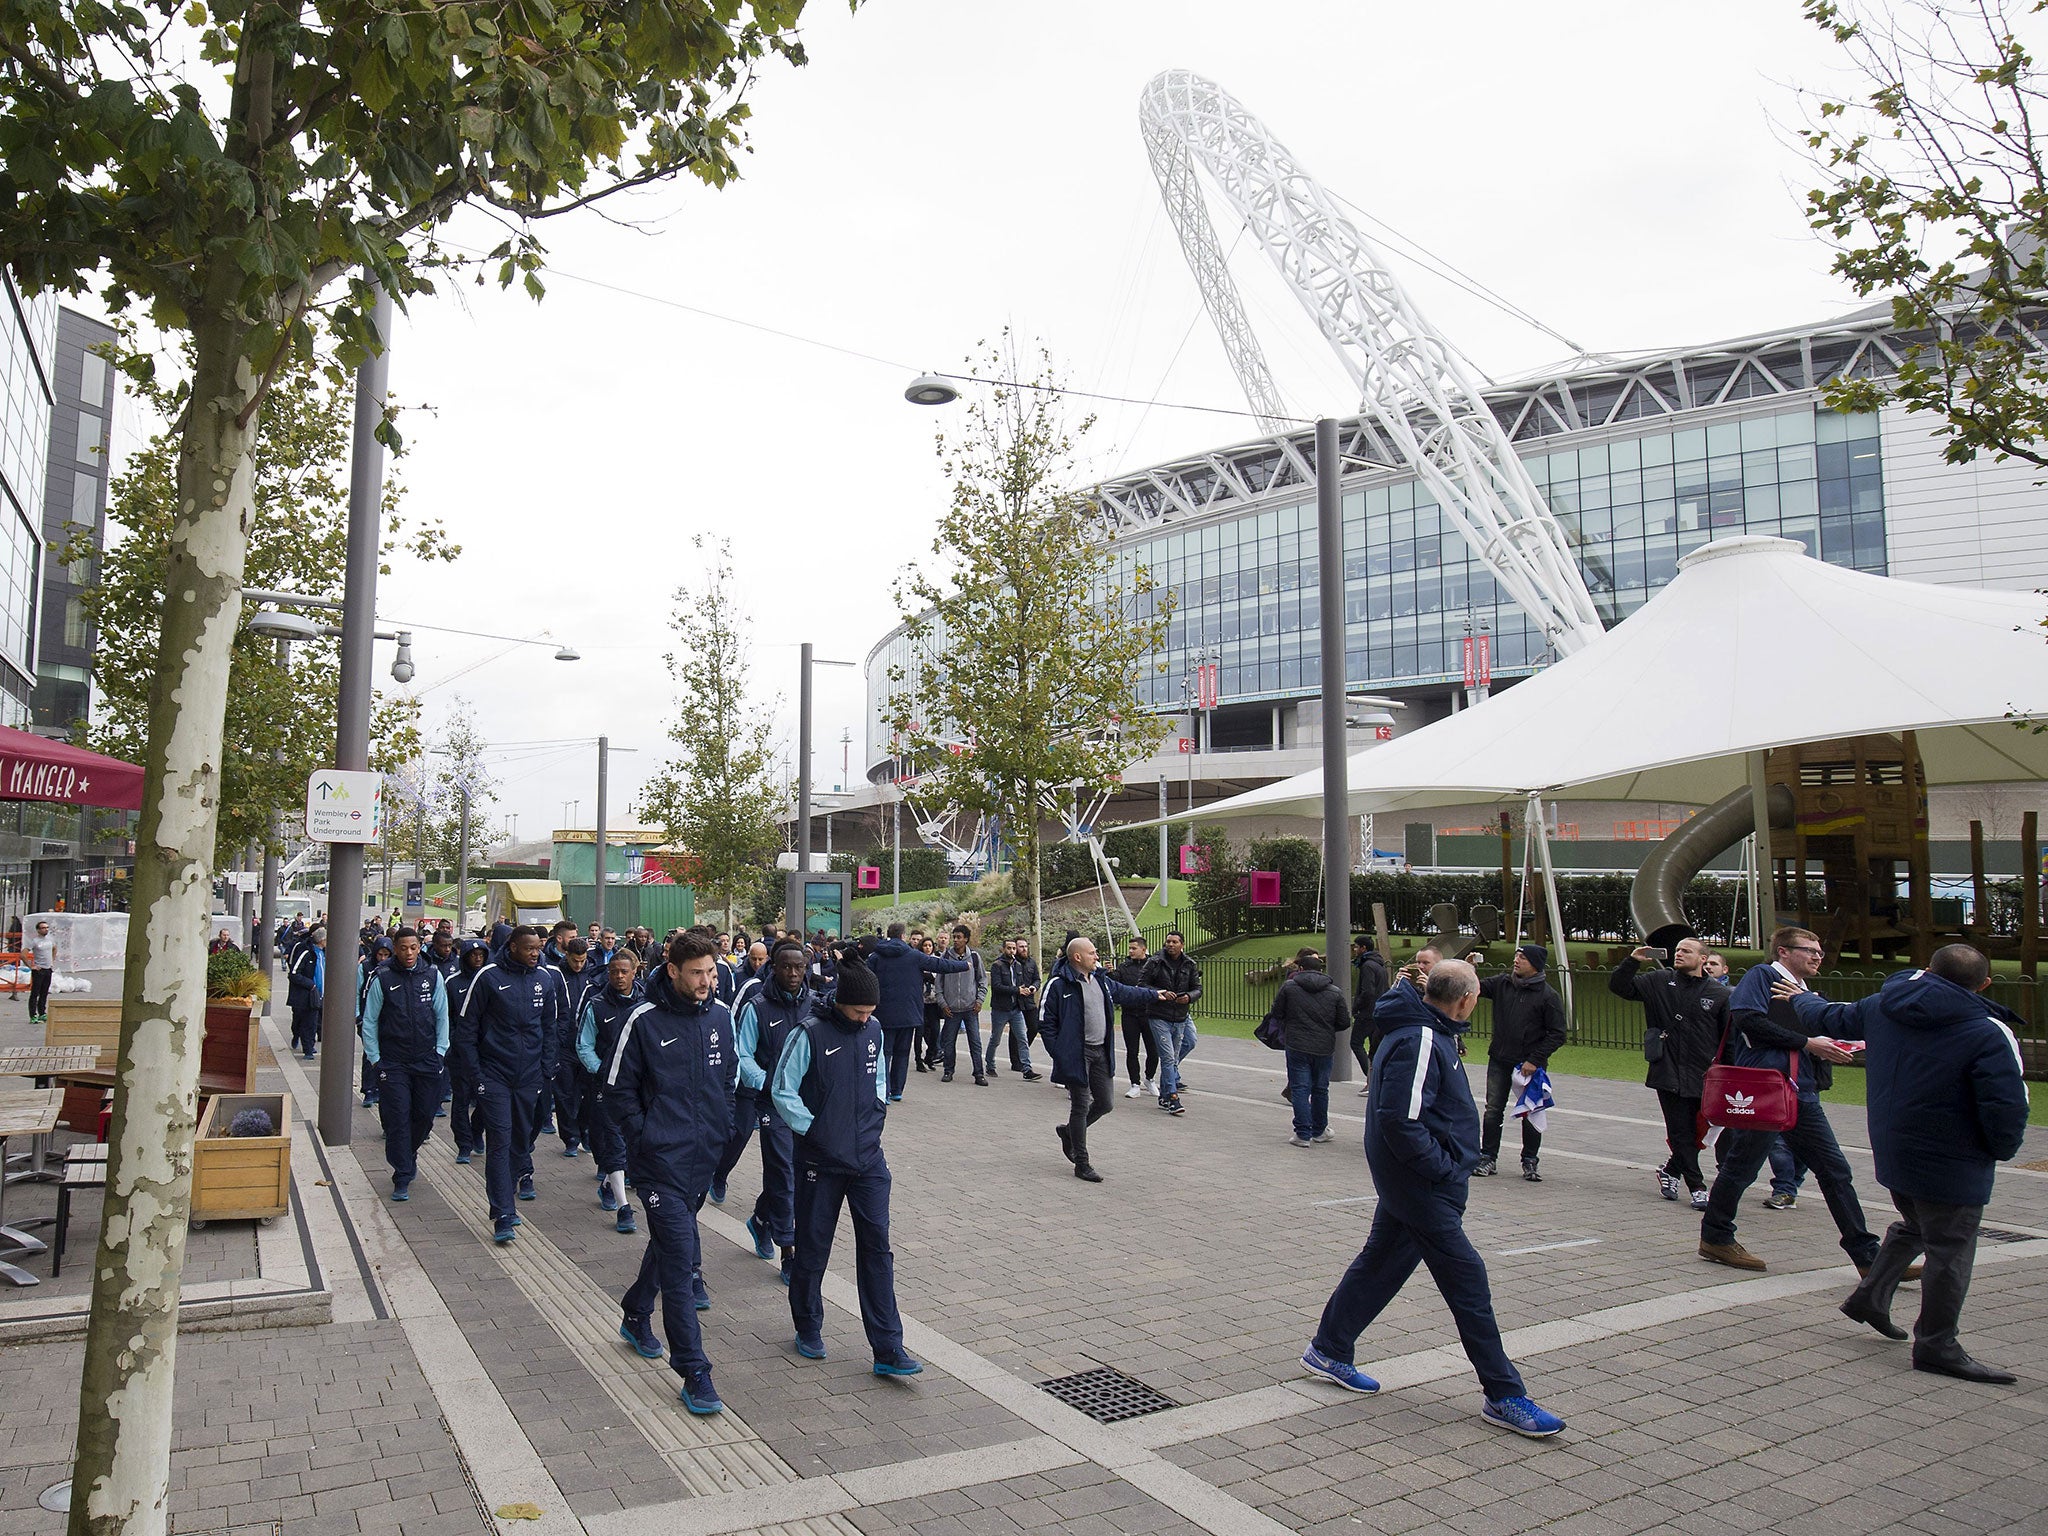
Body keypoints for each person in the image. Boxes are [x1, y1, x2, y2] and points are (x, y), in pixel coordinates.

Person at [1300, 960, 1567, 1438]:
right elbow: (1399, 1119)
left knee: (1381, 1262)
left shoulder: (1425, 1028)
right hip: (1422, 1186)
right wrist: (1442, 1169)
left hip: (1419, 1183)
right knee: (1468, 1280)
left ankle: (1329, 1348)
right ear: (1465, 1000)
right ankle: (1504, 1393)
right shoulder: (1421, 1036)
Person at [1838, 945, 2029, 1383]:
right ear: (1984, 984)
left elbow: (1835, 1017)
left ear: (1928, 969)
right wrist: (2001, 1150)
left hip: (1895, 1148)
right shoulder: (1986, 1030)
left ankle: (1870, 1298)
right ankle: (1937, 1344)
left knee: (1917, 1225)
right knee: (1951, 1246)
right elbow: (2006, 1104)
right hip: (1952, 1158)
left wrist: (1796, 999)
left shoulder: (1885, 1004)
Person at [767, 956, 923, 1375]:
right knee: (813, 1249)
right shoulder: (810, 1033)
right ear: (841, 1003)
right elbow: (783, 1091)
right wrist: (815, 1131)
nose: (865, 1019)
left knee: (877, 1249)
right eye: (859, 1011)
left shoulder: (872, 1029)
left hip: (868, 1160)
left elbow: (878, 1082)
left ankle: (889, 1349)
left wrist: (876, 1118)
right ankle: (808, 1325)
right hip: (820, 1160)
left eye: (871, 1012)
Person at [1697, 927, 1883, 1275]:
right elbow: (1748, 1021)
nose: (1817, 956)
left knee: (1834, 1170)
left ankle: (1868, 1256)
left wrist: (1830, 1042)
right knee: (1741, 1167)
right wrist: (1808, 1043)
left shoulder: (1802, 991)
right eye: (1809, 950)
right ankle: (1716, 1237)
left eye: (1819, 951)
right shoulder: (1763, 975)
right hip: (1769, 1091)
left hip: (1800, 1092)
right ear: (1783, 951)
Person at [606, 932, 738, 1416]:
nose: (707, 981)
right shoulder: (643, 1020)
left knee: (668, 1246)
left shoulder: (720, 1017)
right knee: (682, 1259)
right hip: (660, 1164)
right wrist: (647, 1140)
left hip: (701, 1160)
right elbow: (617, 1090)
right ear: (673, 972)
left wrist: (722, 1128)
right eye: (697, 973)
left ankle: (636, 1312)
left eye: (712, 971)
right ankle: (694, 1370)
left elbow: (729, 1078)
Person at [452, 926, 560, 1244]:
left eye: (538, 948)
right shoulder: (488, 977)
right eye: (528, 948)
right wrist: (477, 1076)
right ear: (512, 947)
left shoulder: (545, 979)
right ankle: (502, 1212)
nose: (535, 953)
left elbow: (550, 1027)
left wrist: (546, 1069)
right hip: (494, 1075)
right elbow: (466, 1030)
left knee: (522, 1141)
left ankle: (508, 1197)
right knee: (500, 1140)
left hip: (530, 1078)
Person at [712, 942, 808, 1286]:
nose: (793, 974)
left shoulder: (815, 1006)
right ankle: (789, 1249)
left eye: (799, 968)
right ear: (773, 968)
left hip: (804, 1105)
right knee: (782, 1170)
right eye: (786, 967)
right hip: (770, 1104)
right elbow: (743, 1053)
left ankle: (762, 1219)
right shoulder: (758, 1007)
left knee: (798, 1172)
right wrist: (768, 1082)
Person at [1038, 937, 1172, 1183]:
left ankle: (1069, 1133)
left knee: (1106, 1103)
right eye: (1092, 953)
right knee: (1080, 1105)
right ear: (1077, 957)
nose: (1097, 956)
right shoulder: (1059, 984)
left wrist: (1155, 994)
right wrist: (1060, 1053)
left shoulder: (1101, 981)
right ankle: (1082, 1162)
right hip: (1077, 1055)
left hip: (1101, 1052)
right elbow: (1045, 1022)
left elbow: (1127, 992)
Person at [1609, 938, 1728, 1209]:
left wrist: (1726, 1072)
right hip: (1668, 1068)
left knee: (1698, 1132)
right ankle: (1697, 1186)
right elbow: (1619, 987)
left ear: (1702, 959)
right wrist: (1633, 961)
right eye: (1677, 950)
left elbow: (1726, 1039)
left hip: (1703, 1073)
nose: (1679, 953)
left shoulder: (1720, 994)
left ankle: (1671, 1171)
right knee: (1679, 1131)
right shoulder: (1659, 980)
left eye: (1687, 950)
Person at [360, 927, 450, 1201]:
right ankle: (401, 1173)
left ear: (420, 947)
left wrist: (440, 1051)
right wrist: (376, 1060)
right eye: (403, 948)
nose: (408, 953)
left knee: (423, 1115)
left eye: (413, 947)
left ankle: (409, 1152)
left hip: (427, 1060)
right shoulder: (383, 978)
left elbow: (442, 1015)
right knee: (398, 1119)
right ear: (395, 949)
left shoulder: (433, 975)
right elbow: (370, 1020)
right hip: (393, 1063)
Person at [1474, 945, 1567, 1182]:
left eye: (1523, 958)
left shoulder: (1548, 996)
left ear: (1535, 963)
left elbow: (1557, 1034)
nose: (1516, 960)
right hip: (1500, 1059)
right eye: (1516, 956)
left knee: (1531, 1110)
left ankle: (1530, 1160)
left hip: (1529, 1065)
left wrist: (1534, 1060)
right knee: (1493, 1109)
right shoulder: (1502, 984)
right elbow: (1473, 988)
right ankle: (1488, 1157)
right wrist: (1469, 967)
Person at [576, 948, 645, 1234]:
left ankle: (609, 1183)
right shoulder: (596, 1004)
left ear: (634, 972)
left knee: (634, 1144)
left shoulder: (647, 1002)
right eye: (613, 971)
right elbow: (584, 1045)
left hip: (638, 1087)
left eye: (624, 971)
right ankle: (623, 1207)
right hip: (606, 1088)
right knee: (613, 1143)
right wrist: (603, 1073)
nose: (618, 976)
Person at [864, 922, 970, 1101]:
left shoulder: (876, 956)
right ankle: (897, 1090)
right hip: (908, 1013)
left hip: (883, 1013)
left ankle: (883, 1092)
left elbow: (866, 978)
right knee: (902, 1053)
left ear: (889, 935)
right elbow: (940, 965)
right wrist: (964, 966)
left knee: (885, 1053)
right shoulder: (914, 956)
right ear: (903, 936)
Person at [1272, 948, 1347, 1147]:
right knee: (1321, 1089)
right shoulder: (1335, 991)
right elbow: (1344, 1022)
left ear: (1301, 968)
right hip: (1324, 1046)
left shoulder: (1289, 987)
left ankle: (1302, 1133)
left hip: (1297, 1043)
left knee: (1300, 1088)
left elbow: (1277, 1012)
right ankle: (1320, 1129)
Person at [550, 938, 603, 1157]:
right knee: (564, 1094)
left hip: (588, 1045)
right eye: (574, 961)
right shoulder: (556, 976)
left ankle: (585, 1129)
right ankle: (570, 1136)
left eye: (582, 961)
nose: (578, 965)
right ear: (566, 955)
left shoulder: (593, 976)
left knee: (590, 1094)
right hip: (564, 1045)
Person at [1142, 931, 1203, 1116]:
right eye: (1168, 941)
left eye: (1175, 942)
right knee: (1168, 1057)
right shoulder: (1154, 962)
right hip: (1159, 1015)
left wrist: (1189, 997)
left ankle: (1165, 1090)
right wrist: (1160, 993)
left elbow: (1197, 988)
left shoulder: (1189, 964)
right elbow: (1142, 984)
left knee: (1174, 1055)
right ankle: (1172, 1098)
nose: (1170, 945)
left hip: (1180, 1016)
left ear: (1182, 944)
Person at [448, 940, 490, 1162]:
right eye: (472, 954)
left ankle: (477, 1131)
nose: (477, 958)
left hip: (486, 1053)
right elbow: (447, 1017)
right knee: (461, 1099)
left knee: (486, 1098)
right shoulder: (453, 983)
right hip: (459, 1053)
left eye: (481, 954)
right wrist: (454, 1042)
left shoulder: (490, 980)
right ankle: (463, 1144)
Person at [935, 925, 989, 1085]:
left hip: (970, 1008)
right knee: (949, 1042)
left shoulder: (974, 957)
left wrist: (979, 1000)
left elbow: (983, 980)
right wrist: (943, 1003)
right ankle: (948, 1070)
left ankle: (979, 1073)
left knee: (975, 1042)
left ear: (966, 938)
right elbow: (939, 983)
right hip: (951, 1009)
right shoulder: (946, 957)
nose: (956, 940)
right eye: (954, 937)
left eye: (959, 937)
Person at [987, 938, 1041, 1080]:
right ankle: (990, 1064)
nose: (1012, 951)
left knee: (1022, 1038)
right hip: (1001, 1009)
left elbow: (1026, 981)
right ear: (1003, 949)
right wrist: (1017, 990)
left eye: (1013, 949)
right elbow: (997, 987)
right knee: (995, 1039)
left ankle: (1027, 1069)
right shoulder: (997, 965)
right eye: (1009, 948)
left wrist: (1027, 989)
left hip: (1016, 1008)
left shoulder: (1018, 965)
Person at [1113, 936, 1159, 1099]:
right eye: (1130, 948)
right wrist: (1111, 973)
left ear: (1143, 949)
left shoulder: (1154, 966)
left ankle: (1150, 1078)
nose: (1130, 951)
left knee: (1153, 1051)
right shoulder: (1124, 967)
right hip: (1130, 1014)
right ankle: (1134, 1084)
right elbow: (1115, 986)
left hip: (1149, 1013)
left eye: (1134, 948)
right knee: (1132, 1051)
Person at [1349, 936, 1388, 1092]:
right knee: (1374, 1048)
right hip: (1379, 1010)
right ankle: (1375, 1079)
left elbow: (1367, 991)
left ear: (1364, 948)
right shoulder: (1379, 965)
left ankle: (1372, 1079)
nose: (1355, 950)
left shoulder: (1368, 966)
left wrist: (1356, 1006)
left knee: (1356, 1042)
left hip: (1367, 1012)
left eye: (1356, 947)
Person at [287, 926, 326, 1059]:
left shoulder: (323, 953)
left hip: (317, 996)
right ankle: (298, 1036)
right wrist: (311, 985)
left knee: (312, 1022)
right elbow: (293, 973)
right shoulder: (306, 952)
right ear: (321, 940)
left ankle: (308, 1048)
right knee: (300, 1020)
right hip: (305, 995)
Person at [24, 919, 56, 1026]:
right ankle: (33, 1015)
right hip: (39, 970)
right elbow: (23, 954)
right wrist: (31, 966)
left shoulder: (50, 939)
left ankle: (42, 1012)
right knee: (35, 993)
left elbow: (54, 948)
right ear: (38, 930)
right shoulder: (34, 941)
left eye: (47, 927)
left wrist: (52, 961)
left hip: (48, 969)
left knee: (44, 992)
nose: (45, 929)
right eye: (43, 928)